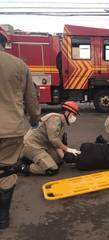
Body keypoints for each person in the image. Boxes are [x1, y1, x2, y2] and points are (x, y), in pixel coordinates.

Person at [0, 27, 41, 230]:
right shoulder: (19, 65)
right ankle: (2, 219)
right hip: (11, 129)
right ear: (5, 42)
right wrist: (35, 120)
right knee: (6, 171)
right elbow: (31, 98)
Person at [20, 101, 81, 176]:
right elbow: (53, 140)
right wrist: (67, 149)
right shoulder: (54, 119)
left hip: (42, 146)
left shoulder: (61, 123)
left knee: (58, 160)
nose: (74, 117)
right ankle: (23, 167)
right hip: (32, 146)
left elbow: (57, 143)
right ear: (67, 112)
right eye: (74, 114)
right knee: (52, 169)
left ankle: (30, 159)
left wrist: (64, 157)